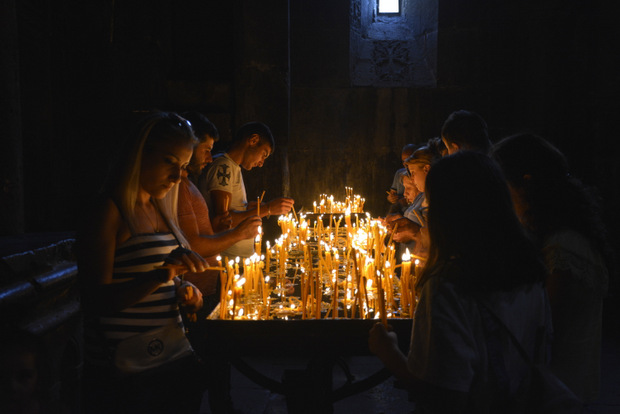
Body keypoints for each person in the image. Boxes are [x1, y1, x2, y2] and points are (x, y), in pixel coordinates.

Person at [369, 151, 551, 413]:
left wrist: (389, 353)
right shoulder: (530, 272)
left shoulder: (448, 286)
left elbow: (441, 396)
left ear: (447, 210)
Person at [77, 110, 209, 414]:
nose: (178, 177)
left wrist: (186, 293)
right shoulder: (110, 211)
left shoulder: (161, 209)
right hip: (128, 371)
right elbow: (95, 300)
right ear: (139, 154)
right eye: (169, 162)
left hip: (172, 360)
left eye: (185, 166)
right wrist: (162, 275)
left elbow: (161, 278)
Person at [491, 133, 611, 404]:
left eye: (501, 184)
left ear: (526, 184)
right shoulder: (553, 239)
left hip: (558, 391)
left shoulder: (564, 249)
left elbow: (541, 331)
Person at [177, 111, 261, 315]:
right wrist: (239, 233)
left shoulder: (187, 185)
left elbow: (202, 231)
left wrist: (217, 228)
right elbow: (192, 244)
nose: (209, 158)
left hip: (204, 287)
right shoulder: (178, 188)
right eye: (206, 150)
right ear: (188, 147)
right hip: (192, 292)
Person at [199, 121, 294, 259]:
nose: (261, 163)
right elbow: (222, 221)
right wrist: (267, 209)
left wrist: (248, 209)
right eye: (264, 154)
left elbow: (231, 211)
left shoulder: (233, 167)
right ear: (253, 140)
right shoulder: (223, 166)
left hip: (239, 258)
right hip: (229, 258)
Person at [389, 137, 444, 259]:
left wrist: (413, 232)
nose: (412, 178)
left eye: (413, 172)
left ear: (426, 169)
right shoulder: (427, 198)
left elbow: (438, 242)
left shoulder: (440, 201)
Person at [387, 143, 417, 214]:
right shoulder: (399, 174)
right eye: (403, 161)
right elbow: (391, 194)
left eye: (408, 160)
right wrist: (391, 198)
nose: (404, 194)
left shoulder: (418, 176)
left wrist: (404, 201)